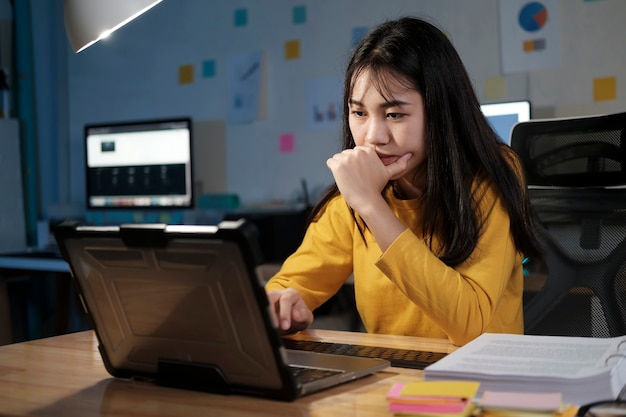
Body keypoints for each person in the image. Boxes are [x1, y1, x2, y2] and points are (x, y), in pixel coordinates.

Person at [265, 16, 538, 346]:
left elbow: (471, 325)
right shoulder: (355, 194)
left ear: (440, 111)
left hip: (483, 378)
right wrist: (286, 304)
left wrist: (371, 205)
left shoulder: (491, 173)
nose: (372, 137)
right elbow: (292, 283)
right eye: (359, 113)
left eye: (394, 114)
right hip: (394, 378)